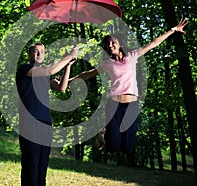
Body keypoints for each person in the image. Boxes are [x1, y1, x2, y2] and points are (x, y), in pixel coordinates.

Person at [70, 18, 188, 163]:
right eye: (108, 44)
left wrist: (173, 30)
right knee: (113, 146)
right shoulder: (108, 63)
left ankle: (104, 133)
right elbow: (88, 73)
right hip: (113, 105)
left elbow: (153, 43)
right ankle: (102, 135)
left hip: (131, 106)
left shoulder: (132, 57)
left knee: (127, 147)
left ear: (119, 45)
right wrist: (69, 80)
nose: (110, 45)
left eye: (113, 42)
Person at [16, 42, 78, 186]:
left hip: (45, 123)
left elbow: (62, 88)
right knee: (31, 164)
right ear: (29, 55)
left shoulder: (45, 77)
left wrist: (68, 66)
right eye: (35, 52)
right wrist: (68, 55)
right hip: (29, 122)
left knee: (42, 166)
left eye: (42, 52)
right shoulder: (25, 70)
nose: (38, 54)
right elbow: (50, 71)